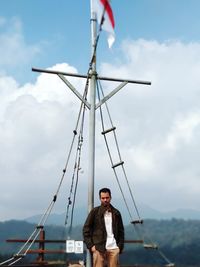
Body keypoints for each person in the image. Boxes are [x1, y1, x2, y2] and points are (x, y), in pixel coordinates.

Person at [82, 188, 124, 267]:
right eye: (103, 198)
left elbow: (121, 231)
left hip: (113, 248)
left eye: (107, 198)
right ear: (100, 198)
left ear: (110, 198)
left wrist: (119, 247)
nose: (105, 200)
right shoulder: (95, 212)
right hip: (98, 248)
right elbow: (86, 229)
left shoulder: (116, 213)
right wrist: (91, 246)